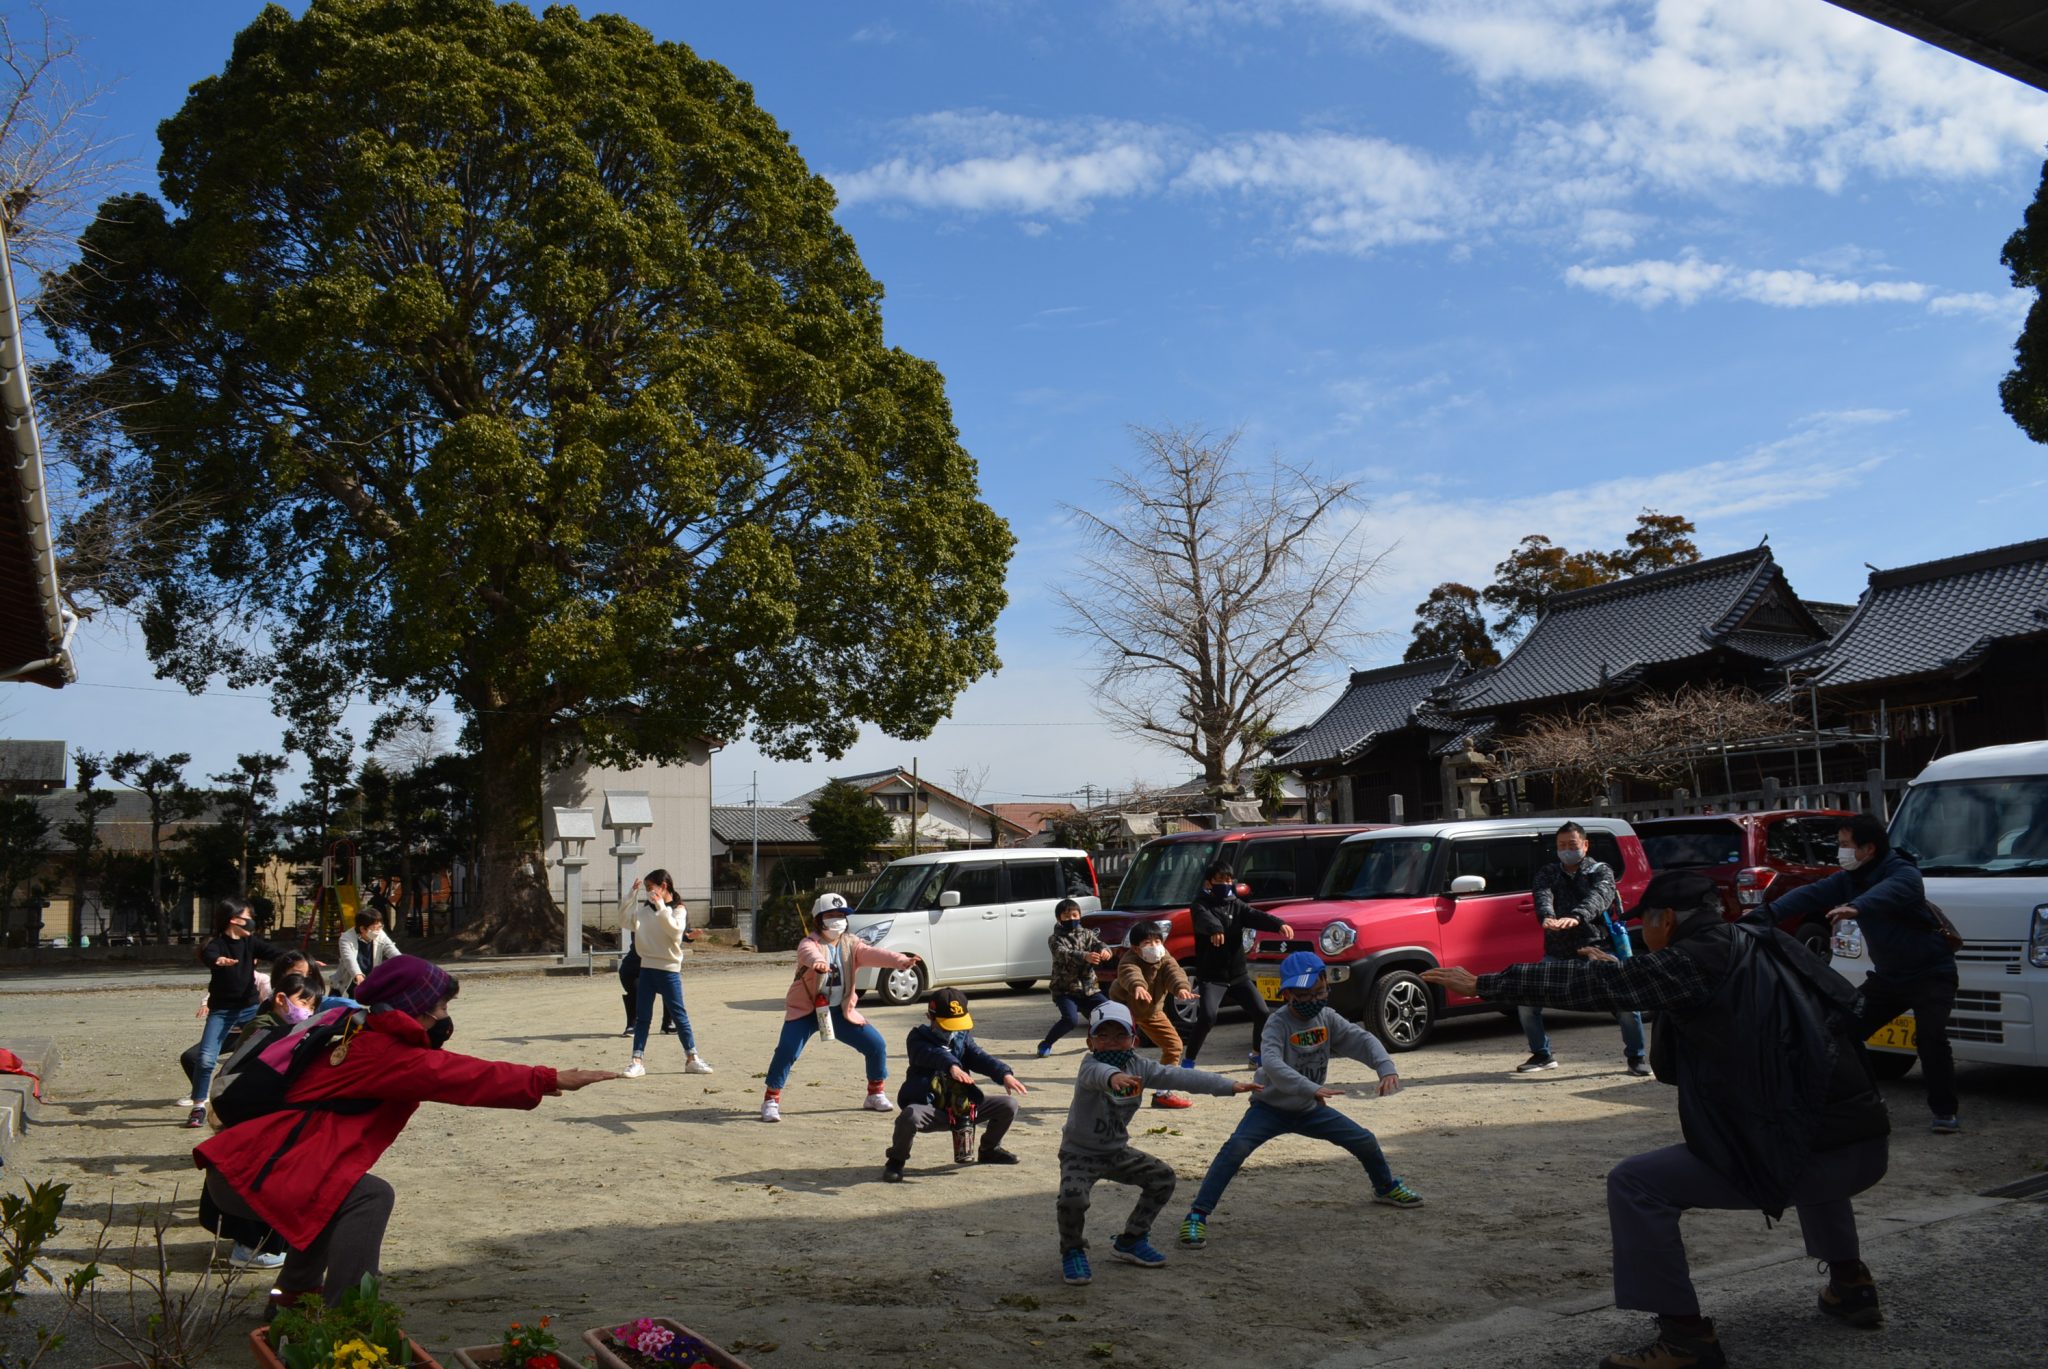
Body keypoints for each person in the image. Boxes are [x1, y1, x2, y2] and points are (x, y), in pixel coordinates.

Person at [1422, 870, 1891, 1369]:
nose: (1645, 934)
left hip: (1798, 1157)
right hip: (1863, 1141)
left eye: (1645, 922)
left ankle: (1686, 1339)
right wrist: (1619, 972)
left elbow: (1612, 985)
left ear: (1665, 919)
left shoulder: (1696, 960)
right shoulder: (1763, 941)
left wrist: (1486, 983)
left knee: (1636, 1185)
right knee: (1809, 1119)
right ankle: (1851, 1283)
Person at [194, 956, 617, 1311]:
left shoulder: (353, 1025)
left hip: (252, 1164)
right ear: (416, 1006)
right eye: (442, 1006)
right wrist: (550, 1077)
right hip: (260, 1171)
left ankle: (289, 1304)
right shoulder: (384, 1053)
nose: (446, 1016)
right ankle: (349, 1318)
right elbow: (463, 1076)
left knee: (329, 1200)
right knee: (368, 1197)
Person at [1178, 952, 1420, 1250]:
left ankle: (1385, 1187)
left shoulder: (1327, 1018)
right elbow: (1273, 1066)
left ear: (1326, 985)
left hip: (1309, 1109)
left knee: (1364, 1139)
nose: (1314, 999)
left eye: (1319, 992)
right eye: (1304, 994)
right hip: (1269, 1108)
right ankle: (1197, 1215)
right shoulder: (1277, 1024)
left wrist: (1385, 1068)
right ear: (1288, 993)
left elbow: (1362, 1040)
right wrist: (1310, 1088)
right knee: (1234, 1150)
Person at [1764, 812, 1960, 1133]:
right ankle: (1865, 1098)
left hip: (1931, 974)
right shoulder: (1848, 878)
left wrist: (1857, 907)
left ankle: (1945, 1111)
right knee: (1841, 1028)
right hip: (1889, 978)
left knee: (1931, 1039)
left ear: (1868, 849)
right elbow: (1809, 894)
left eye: (1844, 844)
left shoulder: (1903, 872)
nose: (1839, 851)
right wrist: (1766, 913)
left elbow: (1894, 891)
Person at [1056, 1000, 1257, 1285]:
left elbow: (1179, 1076)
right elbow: (1099, 1075)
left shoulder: (1140, 1066)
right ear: (1090, 1042)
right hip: (1079, 1153)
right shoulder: (1090, 1065)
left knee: (1162, 1178)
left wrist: (1227, 1085)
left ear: (1134, 1039)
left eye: (1120, 1035)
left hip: (1115, 1151)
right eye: (1103, 1035)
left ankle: (1132, 1240)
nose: (1112, 1042)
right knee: (1072, 1199)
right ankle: (1073, 1249)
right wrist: (1113, 1077)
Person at [760, 894, 922, 1123]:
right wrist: (817, 962)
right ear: (819, 919)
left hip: (840, 1011)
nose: (837, 920)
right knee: (787, 1050)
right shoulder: (809, 943)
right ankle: (771, 1099)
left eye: (842, 915)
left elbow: (873, 954)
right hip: (806, 1011)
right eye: (831, 915)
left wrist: (899, 960)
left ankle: (875, 1093)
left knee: (876, 1044)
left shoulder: (852, 943)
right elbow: (809, 954)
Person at [1518, 822, 1648, 1076]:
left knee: (1626, 1003)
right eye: (1561, 846)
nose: (1566, 850)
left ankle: (1637, 1057)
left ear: (1585, 845)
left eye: (1572, 845)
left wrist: (1577, 916)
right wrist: (1546, 916)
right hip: (1557, 953)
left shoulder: (1601, 871)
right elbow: (1542, 894)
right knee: (1525, 1002)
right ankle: (1542, 1054)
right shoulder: (1548, 872)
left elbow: (1600, 897)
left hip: (1598, 949)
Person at [883, 988, 1028, 1182]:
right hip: (932, 1108)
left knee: (1009, 1105)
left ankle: (990, 1149)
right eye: (946, 1026)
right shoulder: (917, 1038)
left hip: (962, 1108)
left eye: (956, 1025)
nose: (951, 1031)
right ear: (930, 1017)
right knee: (909, 1116)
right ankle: (896, 1160)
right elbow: (930, 1054)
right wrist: (951, 1065)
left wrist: (1003, 1074)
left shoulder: (962, 1036)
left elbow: (979, 1057)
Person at [186, 899, 292, 1127]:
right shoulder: (215, 943)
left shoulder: (249, 942)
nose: (251, 920)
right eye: (248, 915)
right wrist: (218, 960)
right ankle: (198, 1107)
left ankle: (267, 1098)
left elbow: (275, 953)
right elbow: (209, 954)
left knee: (270, 1050)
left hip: (250, 1009)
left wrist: (300, 960)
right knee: (205, 1059)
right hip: (222, 1011)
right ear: (233, 919)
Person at [1181, 863, 1293, 1069]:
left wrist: (1279, 924)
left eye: (1228, 879)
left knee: (1261, 1012)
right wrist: (1215, 929)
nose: (1226, 884)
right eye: (1220, 880)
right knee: (1207, 1017)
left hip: (1238, 974)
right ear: (1209, 883)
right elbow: (1203, 920)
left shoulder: (1237, 905)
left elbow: (1256, 916)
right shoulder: (1200, 905)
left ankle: (1256, 1055)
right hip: (1212, 976)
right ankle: (1188, 1060)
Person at [619, 870, 712, 1079]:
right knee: (643, 1017)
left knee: (679, 1016)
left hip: (669, 969)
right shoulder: (644, 911)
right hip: (647, 967)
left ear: (664, 886)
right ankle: (637, 1061)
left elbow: (675, 931)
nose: (648, 893)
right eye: (646, 889)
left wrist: (661, 906)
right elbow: (624, 921)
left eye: (651, 887)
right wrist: (630, 896)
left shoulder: (678, 909)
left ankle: (692, 1058)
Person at [1109, 924, 1198, 1108]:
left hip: (1151, 1011)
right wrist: (1138, 986)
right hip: (1124, 1010)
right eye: (1148, 943)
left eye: (1157, 941)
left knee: (1174, 1046)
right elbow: (1129, 973)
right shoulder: (1129, 959)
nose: (1155, 946)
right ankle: (1119, 1093)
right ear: (1136, 948)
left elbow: (1174, 972)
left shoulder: (1165, 956)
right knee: (1121, 1052)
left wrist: (1181, 988)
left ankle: (1162, 1094)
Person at [1037, 898, 1111, 1057]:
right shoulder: (1055, 938)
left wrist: (1105, 951)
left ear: (1080, 915)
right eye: (1066, 916)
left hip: (1089, 989)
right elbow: (1062, 953)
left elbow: (1099, 944)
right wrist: (1085, 956)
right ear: (1059, 919)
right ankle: (1046, 1043)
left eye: (1075, 915)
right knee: (1070, 1020)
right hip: (1065, 990)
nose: (1072, 919)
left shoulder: (1088, 934)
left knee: (1109, 1011)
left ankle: (1097, 1043)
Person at [615, 941, 676, 1037]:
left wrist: (688, 935)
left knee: (670, 990)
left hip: (657, 967)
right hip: (633, 969)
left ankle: (667, 1024)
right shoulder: (644, 927)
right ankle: (632, 1025)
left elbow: (680, 932)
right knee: (636, 992)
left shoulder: (669, 928)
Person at [337, 909, 400, 993]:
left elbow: (392, 950)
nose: (378, 931)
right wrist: (357, 974)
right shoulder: (346, 938)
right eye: (375, 928)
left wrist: (404, 962)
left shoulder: (380, 934)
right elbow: (349, 959)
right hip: (348, 985)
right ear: (362, 929)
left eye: (380, 927)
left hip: (371, 983)